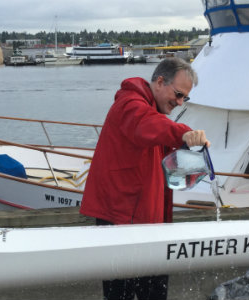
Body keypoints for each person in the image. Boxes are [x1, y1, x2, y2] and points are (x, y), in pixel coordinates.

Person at [79, 57, 210, 300]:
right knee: (123, 294)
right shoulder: (130, 104)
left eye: (185, 98)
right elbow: (148, 125)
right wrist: (185, 133)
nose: (180, 102)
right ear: (160, 82)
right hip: (122, 222)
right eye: (178, 94)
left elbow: (159, 145)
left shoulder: (151, 112)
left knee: (154, 292)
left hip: (147, 221)